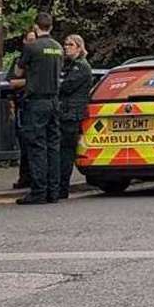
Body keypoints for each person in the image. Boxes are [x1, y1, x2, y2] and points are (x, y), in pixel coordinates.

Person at [15, 13, 63, 205]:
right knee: (53, 146)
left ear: (36, 26)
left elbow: (18, 71)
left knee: (37, 147)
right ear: (50, 26)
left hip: (36, 102)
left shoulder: (31, 47)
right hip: (54, 101)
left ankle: (39, 191)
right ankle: (53, 190)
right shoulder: (58, 48)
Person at [59, 35, 92, 199]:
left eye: (70, 45)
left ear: (79, 47)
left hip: (72, 114)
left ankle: (62, 187)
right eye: (65, 44)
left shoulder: (81, 67)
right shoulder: (70, 65)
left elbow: (66, 86)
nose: (66, 47)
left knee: (66, 151)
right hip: (66, 112)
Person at [7, 30, 37, 189]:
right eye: (29, 40)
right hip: (21, 104)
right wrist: (31, 81)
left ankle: (33, 177)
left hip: (35, 104)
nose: (32, 43)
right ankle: (24, 177)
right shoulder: (19, 60)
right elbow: (12, 82)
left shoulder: (40, 60)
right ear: (24, 42)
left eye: (35, 40)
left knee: (34, 142)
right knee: (24, 143)